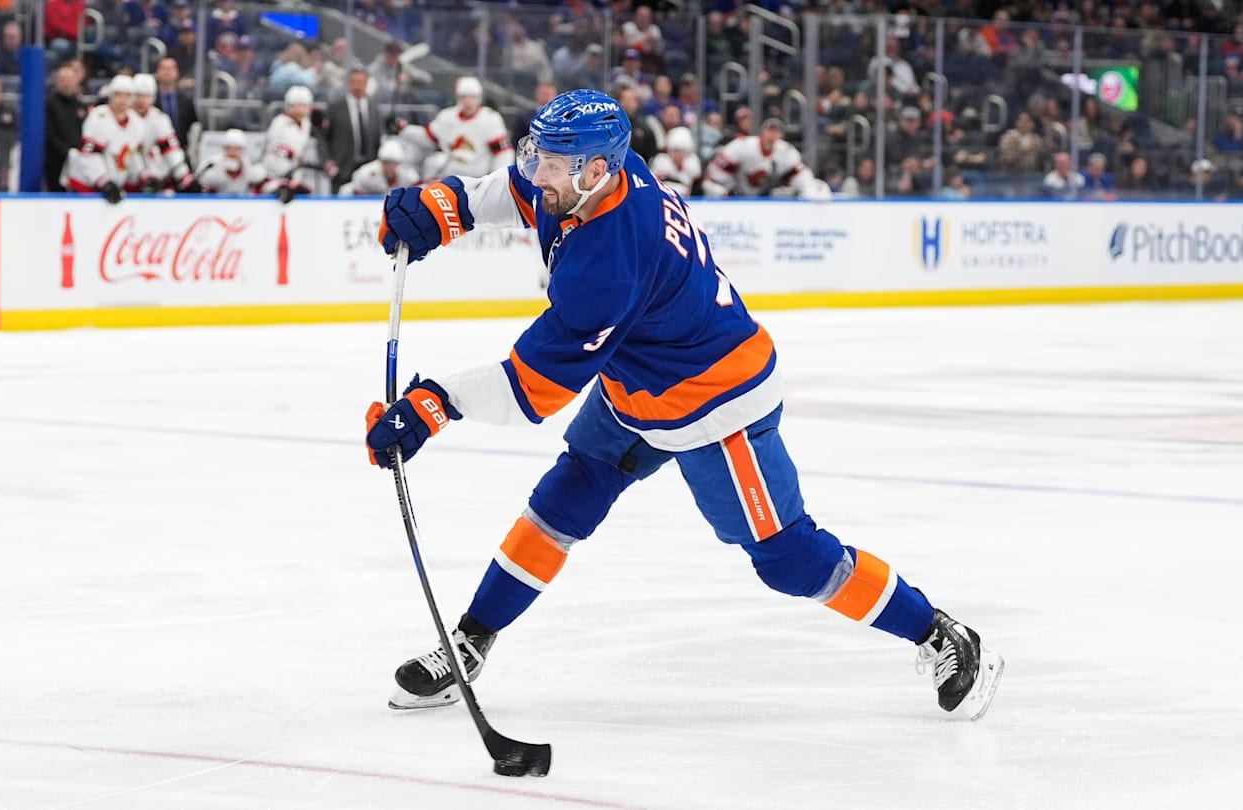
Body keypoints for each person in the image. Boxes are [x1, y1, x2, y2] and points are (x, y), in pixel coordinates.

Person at [366, 89, 1004, 721]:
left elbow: (532, 388)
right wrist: (446, 204)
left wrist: (433, 404)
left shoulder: (609, 264)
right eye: (538, 156)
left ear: (595, 171)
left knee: (788, 558)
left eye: (552, 165)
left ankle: (939, 633)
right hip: (639, 383)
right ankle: (472, 641)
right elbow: (520, 192)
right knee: (566, 493)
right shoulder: (602, 175)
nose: (538, 175)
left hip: (717, 402)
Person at [398, 76, 512, 180]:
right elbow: (427, 137)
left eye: (472, 97)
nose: (468, 101)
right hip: (449, 177)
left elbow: (503, 153)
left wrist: (497, 179)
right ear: (458, 97)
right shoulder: (446, 117)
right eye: (464, 97)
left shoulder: (490, 119)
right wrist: (404, 129)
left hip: (478, 179)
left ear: (479, 98)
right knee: (433, 162)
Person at [63, 74, 146, 202]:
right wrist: (103, 180)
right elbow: (89, 155)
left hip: (113, 183)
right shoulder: (98, 116)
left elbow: (132, 156)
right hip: (85, 183)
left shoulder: (136, 122)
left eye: (127, 95)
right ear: (111, 95)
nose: (122, 100)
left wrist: (142, 175)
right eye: (118, 94)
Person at [704, 117, 829, 199]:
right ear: (762, 132)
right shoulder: (743, 145)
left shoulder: (786, 151)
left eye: (777, 132)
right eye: (770, 131)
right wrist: (729, 190)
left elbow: (802, 178)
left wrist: (803, 190)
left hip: (766, 197)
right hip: (738, 195)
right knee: (711, 188)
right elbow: (715, 174)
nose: (773, 135)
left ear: (781, 135)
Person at [131, 73, 196, 192]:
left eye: (146, 96)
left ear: (153, 97)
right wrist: (142, 175)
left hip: (153, 178)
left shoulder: (159, 118)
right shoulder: (125, 117)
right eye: (138, 95)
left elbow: (170, 149)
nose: (141, 100)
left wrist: (184, 176)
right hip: (127, 177)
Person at [326, 65, 382, 188]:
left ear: (367, 84)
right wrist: (329, 160)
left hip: (368, 168)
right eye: (355, 82)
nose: (358, 86)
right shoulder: (336, 108)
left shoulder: (374, 109)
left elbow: (377, 138)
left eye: (362, 82)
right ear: (349, 83)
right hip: (342, 168)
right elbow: (326, 137)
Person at [258, 84, 315, 203]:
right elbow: (275, 151)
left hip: (295, 172)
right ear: (289, 106)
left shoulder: (306, 123)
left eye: (303, 106)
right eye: (296, 106)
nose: (300, 110)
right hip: (274, 173)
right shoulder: (279, 123)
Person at [44, 63, 86, 191]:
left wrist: (80, 153)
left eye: (69, 79)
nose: (66, 83)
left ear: (76, 80)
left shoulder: (81, 106)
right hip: (56, 162)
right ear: (57, 81)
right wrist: (67, 151)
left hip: (79, 162)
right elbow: (49, 133)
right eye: (62, 79)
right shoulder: (49, 104)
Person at [194, 128, 265, 194]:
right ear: (224, 148)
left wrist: (243, 167)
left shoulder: (250, 163)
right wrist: (221, 168)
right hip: (217, 202)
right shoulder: (212, 162)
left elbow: (259, 177)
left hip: (245, 202)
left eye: (237, 148)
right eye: (229, 148)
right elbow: (202, 179)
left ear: (243, 149)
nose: (233, 152)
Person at [338, 139, 416, 195]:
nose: (389, 167)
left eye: (393, 164)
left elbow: (419, 190)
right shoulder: (367, 173)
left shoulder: (408, 175)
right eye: (386, 163)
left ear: (398, 164)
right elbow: (349, 190)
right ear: (380, 163)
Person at [153, 57, 197, 152]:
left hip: (181, 150)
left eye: (171, 68)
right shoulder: (151, 100)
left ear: (177, 72)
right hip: (156, 152)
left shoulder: (186, 100)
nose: (167, 72)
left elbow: (193, 125)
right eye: (164, 68)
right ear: (157, 72)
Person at [648, 125, 700, 197]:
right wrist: (681, 189)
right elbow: (659, 186)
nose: (680, 155)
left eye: (683, 151)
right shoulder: (661, 162)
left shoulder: (692, 164)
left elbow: (697, 190)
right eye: (676, 151)